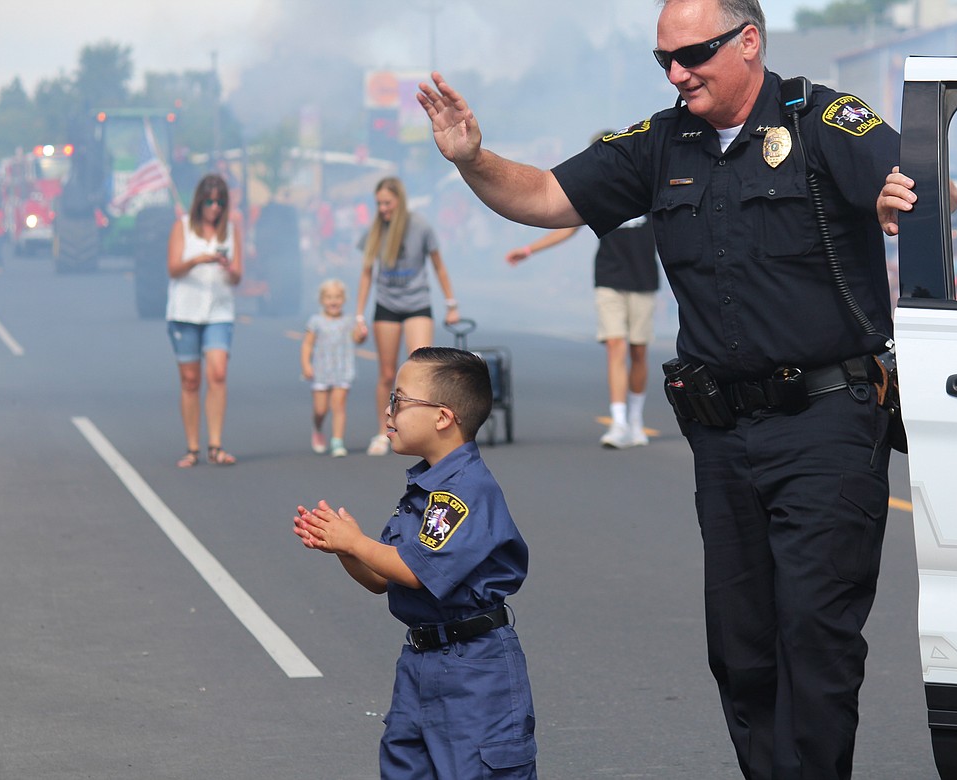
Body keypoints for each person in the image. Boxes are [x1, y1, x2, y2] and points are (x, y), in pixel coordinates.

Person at [418, 1, 902, 777]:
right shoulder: (660, 140)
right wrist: (473, 158)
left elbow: (900, 182)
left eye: (694, 54)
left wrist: (887, 201)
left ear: (749, 42)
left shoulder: (824, 121)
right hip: (723, 435)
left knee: (815, 635)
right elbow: (544, 196)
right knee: (741, 649)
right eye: (663, 60)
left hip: (825, 425)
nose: (678, 73)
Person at [292, 346, 537, 778]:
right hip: (422, 660)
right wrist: (344, 548)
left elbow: (417, 571)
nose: (389, 412)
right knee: (405, 766)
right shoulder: (425, 487)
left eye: (400, 401)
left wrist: (357, 539)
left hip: (474, 669)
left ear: (443, 417)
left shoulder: (462, 491)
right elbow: (382, 578)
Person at [506, 131, 660, 449]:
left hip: (643, 279)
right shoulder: (599, 194)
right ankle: (618, 423)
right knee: (616, 347)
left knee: (639, 351)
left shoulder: (645, 186)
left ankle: (635, 420)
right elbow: (567, 228)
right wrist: (530, 250)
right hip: (609, 278)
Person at [353, 177, 462, 456]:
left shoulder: (420, 227)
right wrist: (359, 317)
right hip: (386, 304)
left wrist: (451, 304)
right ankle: (382, 431)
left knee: (420, 366)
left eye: (387, 203)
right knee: (387, 372)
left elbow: (439, 267)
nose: (382, 209)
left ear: (399, 202)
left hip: (417, 302)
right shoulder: (376, 230)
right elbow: (366, 275)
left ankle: (422, 432)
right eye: (378, 204)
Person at [165, 173, 243, 468]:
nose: (214, 208)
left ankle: (216, 445)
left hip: (219, 311)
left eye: (219, 202)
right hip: (185, 311)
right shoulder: (183, 228)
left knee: (218, 373)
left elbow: (238, 276)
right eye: (209, 202)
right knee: (190, 379)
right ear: (199, 203)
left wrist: (226, 264)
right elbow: (173, 268)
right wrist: (199, 259)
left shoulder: (231, 231)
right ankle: (193, 448)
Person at [300, 278, 363, 458]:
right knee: (321, 409)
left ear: (344, 299)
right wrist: (306, 365)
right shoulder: (315, 321)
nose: (333, 301)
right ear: (321, 300)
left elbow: (357, 339)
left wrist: (361, 334)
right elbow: (307, 345)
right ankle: (318, 428)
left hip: (343, 369)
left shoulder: (349, 320)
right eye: (328, 297)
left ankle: (337, 441)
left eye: (337, 297)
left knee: (338, 405)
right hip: (321, 370)